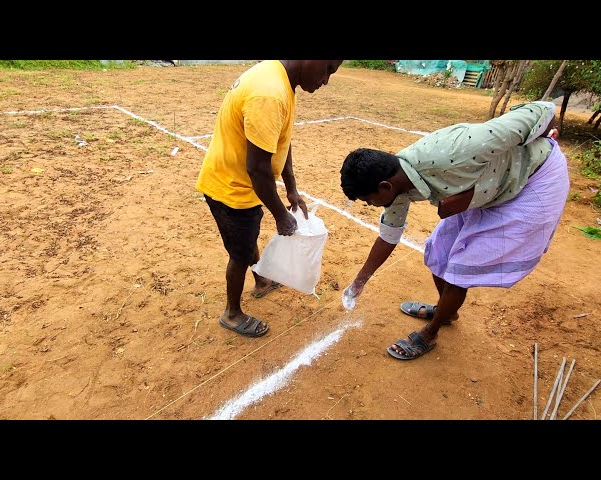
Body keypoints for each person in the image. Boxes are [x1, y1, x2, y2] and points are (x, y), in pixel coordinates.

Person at [340, 100, 569, 360]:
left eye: (368, 200)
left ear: (384, 187)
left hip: (532, 180)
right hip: (486, 189)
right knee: (438, 252)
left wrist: (545, 131)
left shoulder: (460, 148)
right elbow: (388, 236)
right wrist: (359, 282)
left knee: (459, 269)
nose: (370, 205)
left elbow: (542, 109)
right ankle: (447, 311)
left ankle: (431, 332)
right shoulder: (397, 186)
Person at [196, 60, 343, 338]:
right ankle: (232, 313)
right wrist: (280, 215)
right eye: (327, 70)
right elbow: (258, 168)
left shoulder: (280, 79)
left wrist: (291, 188)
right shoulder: (270, 93)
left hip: (244, 184)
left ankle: (262, 280)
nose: (325, 81)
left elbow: (280, 142)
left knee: (248, 235)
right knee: (239, 253)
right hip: (232, 188)